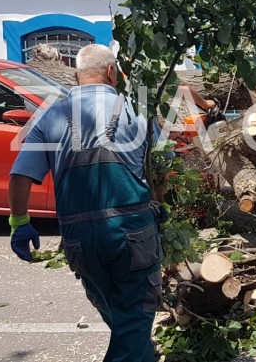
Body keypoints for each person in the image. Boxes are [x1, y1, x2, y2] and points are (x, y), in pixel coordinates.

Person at [8, 44, 163, 362]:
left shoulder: (51, 114)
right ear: (112, 72)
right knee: (135, 316)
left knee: (120, 317)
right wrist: (161, 205)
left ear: (77, 76)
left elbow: (20, 176)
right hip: (131, 232)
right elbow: (163, 169)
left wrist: (19, 222)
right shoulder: (136, 109)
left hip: (79, 239)